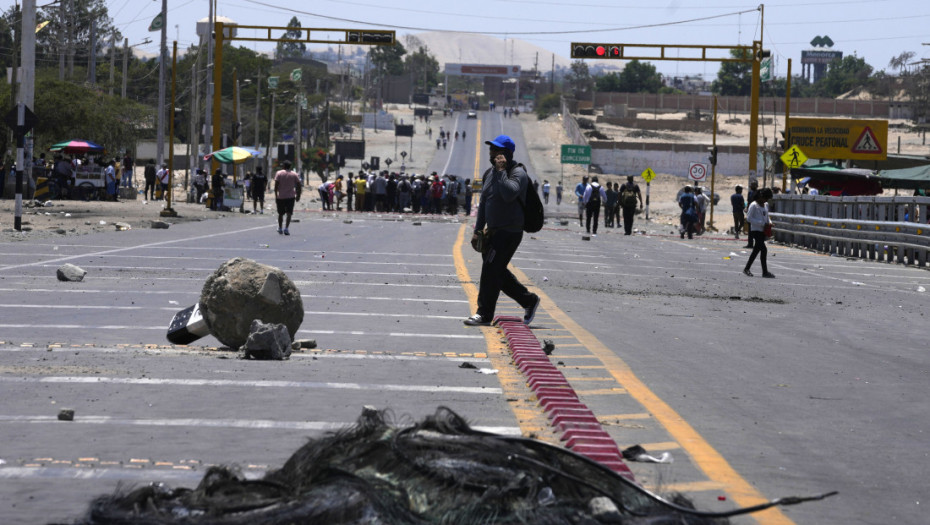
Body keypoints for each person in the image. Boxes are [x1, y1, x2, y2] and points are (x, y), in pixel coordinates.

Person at [464, 135, 540, 327]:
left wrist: (501, 171)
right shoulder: (489, 173)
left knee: (490, 270)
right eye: (491, 149)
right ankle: (528, 300)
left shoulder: (518, 173)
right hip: (493, 232)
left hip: (509, 232)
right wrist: (478, 229)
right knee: (496, 271)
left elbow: (508, 194)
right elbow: (484, 203)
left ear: (506, 154)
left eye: (496, 150)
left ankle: (484, 314)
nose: (491, 153)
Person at [743, 187, 775, 278]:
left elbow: (767, 216)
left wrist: (769, 223)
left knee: (756, 250)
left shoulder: (765, 205)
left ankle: (747, 269)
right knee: (763, 250)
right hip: (755, 230)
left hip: (762, 231)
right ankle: (764, 272)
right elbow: (749, 218)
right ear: (761, 196)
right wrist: (761, 223)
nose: (766, 200)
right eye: (765, 198)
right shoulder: (753, 205)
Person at [273, 160, 301, 235]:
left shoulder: (279, 173)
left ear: (283, 166)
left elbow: (276, 186)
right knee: (289, 213)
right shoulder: (294, 174)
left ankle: (280, 228)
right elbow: (299, 185)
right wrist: (298, 195)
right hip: (291, 197)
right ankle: (286, 228)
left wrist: (276, 195)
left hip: (281, 197)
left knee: (280, 213)